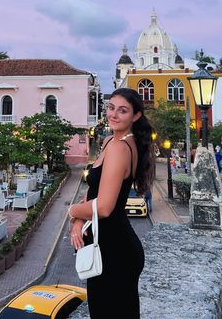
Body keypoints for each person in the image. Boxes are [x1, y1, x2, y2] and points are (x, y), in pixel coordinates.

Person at [68, 88, 155, 319]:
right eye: (111, 107)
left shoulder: (119, 148)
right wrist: (78, 220)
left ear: (135, 116)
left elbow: (105, 207)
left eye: (123, 110)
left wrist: (70, 210)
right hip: (110, 247)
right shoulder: (110, 141)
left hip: (115, 252)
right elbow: (94, 192)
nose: (114, 115)